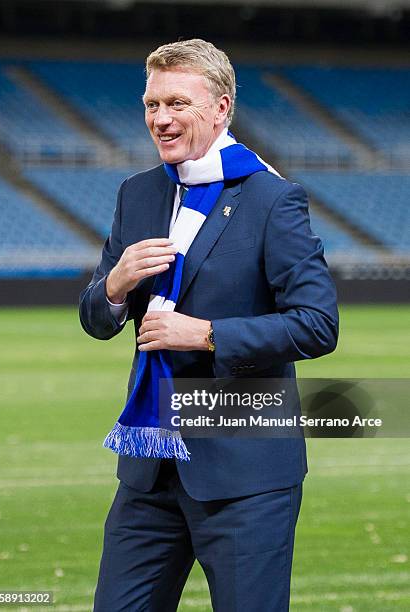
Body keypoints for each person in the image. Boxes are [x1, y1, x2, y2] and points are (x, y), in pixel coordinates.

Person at [79, 38, 339, 612]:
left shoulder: (273, 200)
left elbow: (318, 325)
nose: (161, 119)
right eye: (151, 104)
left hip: (245, 474)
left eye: (177, 103)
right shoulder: (137, 193)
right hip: (149, 470)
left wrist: (208, 334)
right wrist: (116, 286)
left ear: (221, 109)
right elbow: (97, 319)